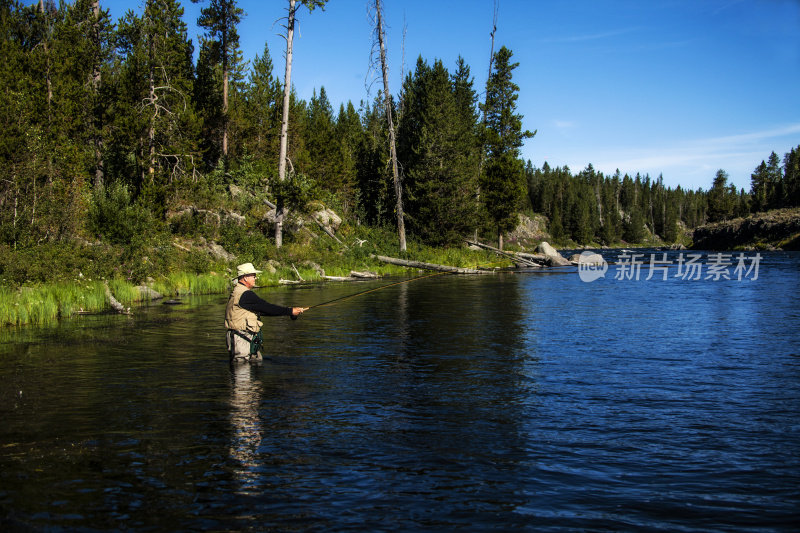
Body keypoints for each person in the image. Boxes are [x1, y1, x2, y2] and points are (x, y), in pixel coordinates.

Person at [225, 262, 306, 363]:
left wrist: (289, 311)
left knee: (255, 365)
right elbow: (266, 307)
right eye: (253, 276)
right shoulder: (245, 294)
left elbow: (262, 310)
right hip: (240, 338)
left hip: (244, 337)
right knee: (241, 371)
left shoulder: (239, 291)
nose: (255, 278)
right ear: (245, 278)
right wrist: (290, 311)